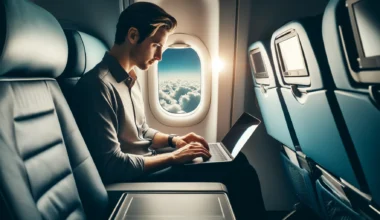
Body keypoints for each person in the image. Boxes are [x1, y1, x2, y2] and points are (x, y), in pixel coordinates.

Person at [72, 2, 266, 219]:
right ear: (133, 35)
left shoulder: (130, 79)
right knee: (238, 172)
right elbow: (112, 165)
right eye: (156, 45)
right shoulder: (98, 86)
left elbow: (142, 131)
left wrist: (175, 141)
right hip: (131, 180)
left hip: (147, 163)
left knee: (236, 160)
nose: (160, 56)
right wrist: (174, 157)